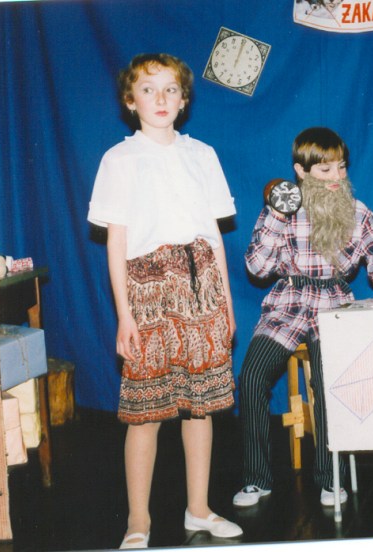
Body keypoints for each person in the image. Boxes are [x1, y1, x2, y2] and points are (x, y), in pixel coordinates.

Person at [87, 53, 242, 549]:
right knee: (146, 413)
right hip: (147, 289)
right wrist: (124, 315)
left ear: (183, 99)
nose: (160, 98)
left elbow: (214, 236)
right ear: (131, 101)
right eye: (148, 89)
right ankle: (138, 520)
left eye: (170, 89)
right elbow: (116, 242)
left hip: (201, 288)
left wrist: (227, 305)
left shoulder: (203, 155)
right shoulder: (119, 159)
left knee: (201, 407)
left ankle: (199, 509)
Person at [234, 127, 373, 508]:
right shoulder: (282, 208)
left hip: (334, 302)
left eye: (341, 167)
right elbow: (257, 268)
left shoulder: (358, 212)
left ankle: (330, 477)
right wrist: (275, 216)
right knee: (252, 376)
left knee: (330, 384)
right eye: (325, 170)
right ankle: (257, 479)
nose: (337, 177)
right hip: (288, 301)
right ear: (301, 171)